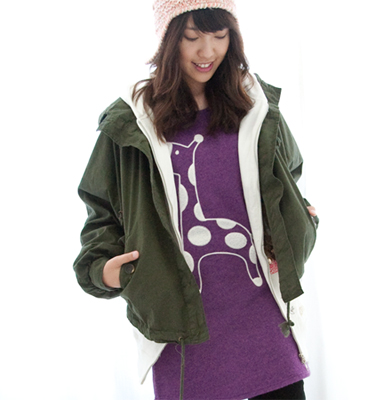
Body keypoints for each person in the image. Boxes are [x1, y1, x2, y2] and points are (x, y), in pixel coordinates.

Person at [73, 1, 319, 399]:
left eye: (220, 36)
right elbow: (101, 212)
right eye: (192, 37)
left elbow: (288, 177)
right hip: (181, 328)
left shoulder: (255, 105)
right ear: (168, 39)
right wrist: (103, 271)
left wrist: (297, 222)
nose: (208, 51)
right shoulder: (131, 120)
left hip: (263, 316)